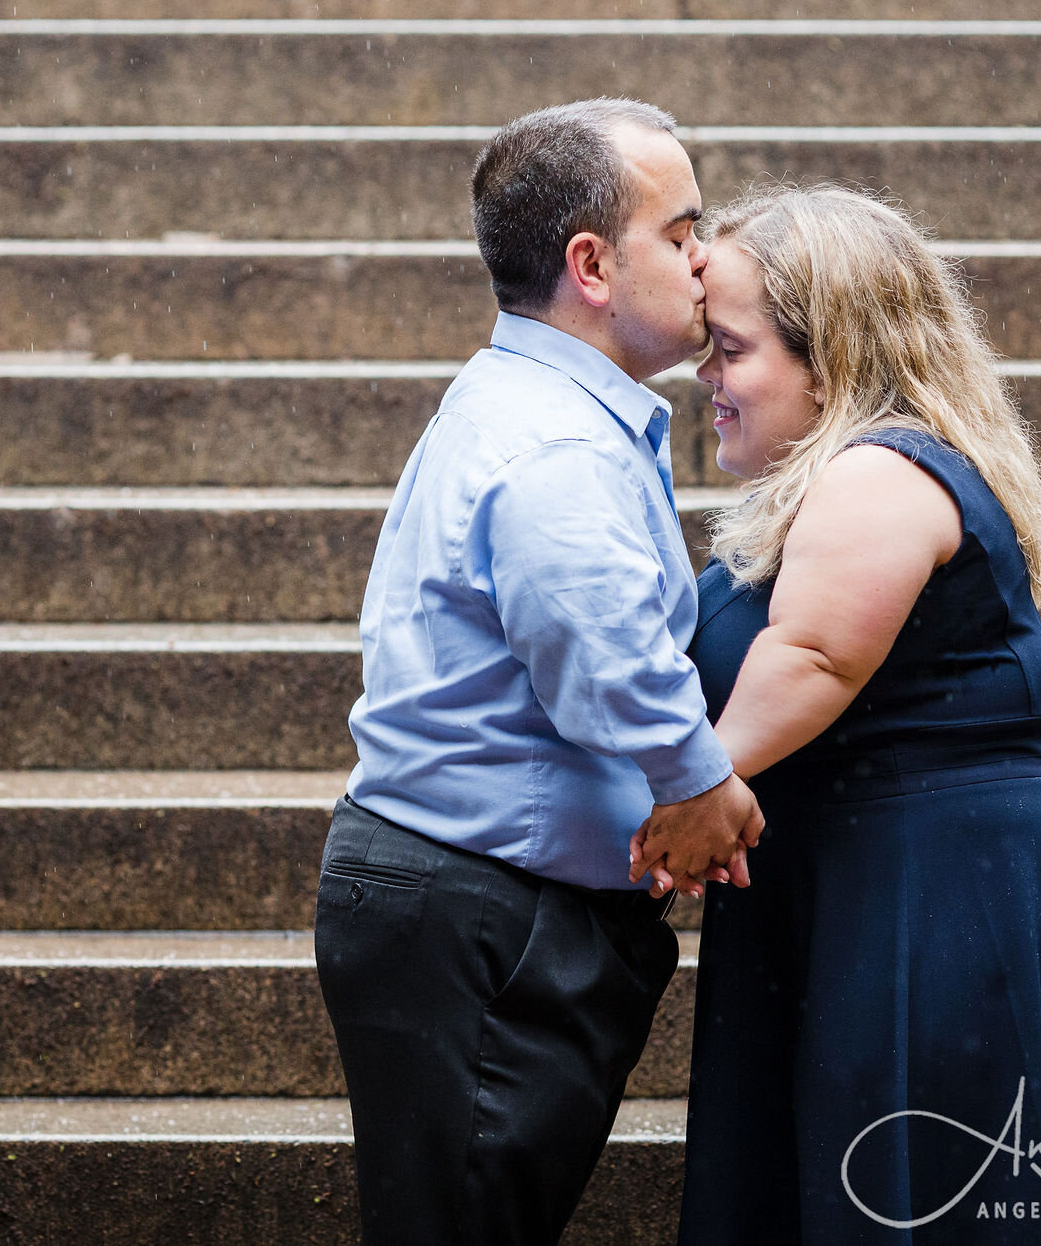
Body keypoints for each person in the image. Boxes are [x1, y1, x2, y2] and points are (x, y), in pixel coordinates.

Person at [633, 183, 1041, 1242]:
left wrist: (692, 795)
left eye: (730, 350)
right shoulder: (842, 477)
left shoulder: (878, 470)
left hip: (933, 906)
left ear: (833, 357)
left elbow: (811, 655)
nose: (704, 377)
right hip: (876, 891)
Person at [314, 98, 765, 1246]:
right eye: (680, 231)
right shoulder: (553, 439)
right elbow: (597, 646)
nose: (706, 256)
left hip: (471, 901)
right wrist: (693, 781)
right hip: (482, 912)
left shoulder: (531, 405)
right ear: (591, 266)